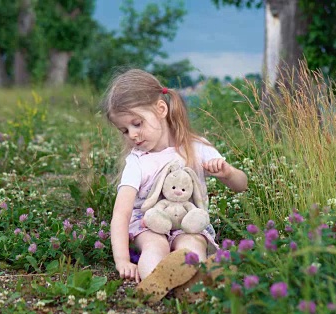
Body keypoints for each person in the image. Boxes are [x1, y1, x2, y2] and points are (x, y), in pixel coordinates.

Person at [101, 69, 248, 289]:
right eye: (124, 130)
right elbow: (121, 214)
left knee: (191, 244)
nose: (132, 134)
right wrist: (122, 260)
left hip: (189, 222)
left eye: (137, 123)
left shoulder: (196, 147)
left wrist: (228, 173)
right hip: (148, 223)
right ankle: (156, 281)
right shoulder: (137, 162)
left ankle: (193, 285)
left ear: (161, 109)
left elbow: (241, 185)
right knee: (154, 245)